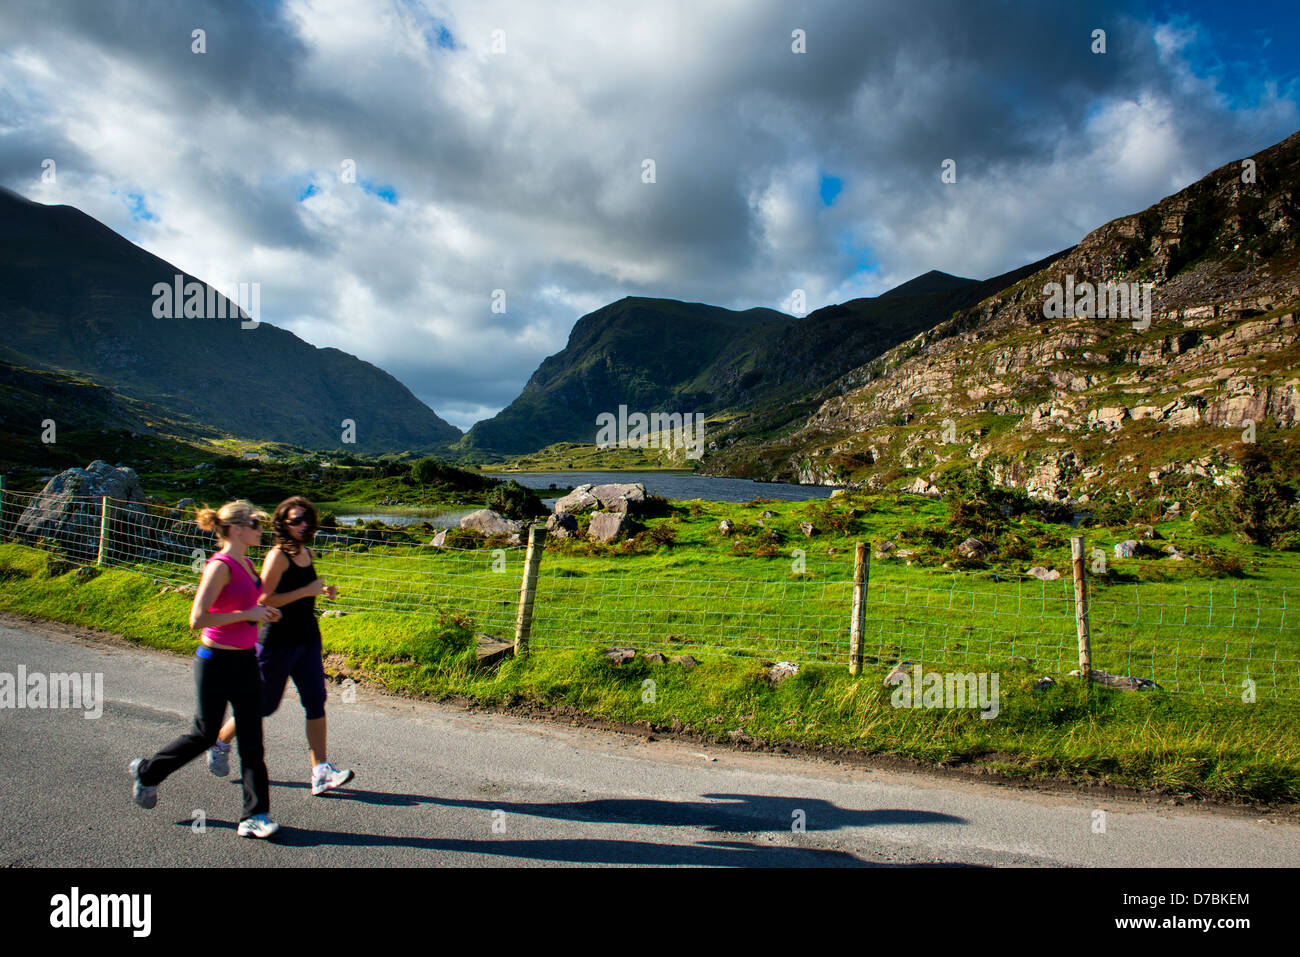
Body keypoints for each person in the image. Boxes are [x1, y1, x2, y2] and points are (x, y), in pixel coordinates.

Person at [129, 500, 282, 839]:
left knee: (253, 740)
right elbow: (197, 618)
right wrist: (248, 615)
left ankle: (255, 815)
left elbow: (245, 606)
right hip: (215, 661)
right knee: (205, 734)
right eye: (255, 523)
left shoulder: (247, 562)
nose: (261, 528)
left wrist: (264, 612)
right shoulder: (220, 565)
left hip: (244, 660)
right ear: (237, 529)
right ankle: (148, 772)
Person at [209, 496, 354, 797]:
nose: (303, 524)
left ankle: (321, 772)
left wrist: (324, 591)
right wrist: (307, 591)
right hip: (277, 643)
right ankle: (220, 741)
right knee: (263, 704)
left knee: (316, 700)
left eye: (306, 519)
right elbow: (263, 599)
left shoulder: (307, 553)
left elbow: (305, 591)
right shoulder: (277, 556)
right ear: (283, 524)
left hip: (307, 639)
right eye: (295, 520)